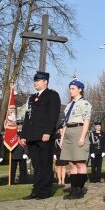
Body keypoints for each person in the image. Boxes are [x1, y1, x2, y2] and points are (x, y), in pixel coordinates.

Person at [20, 71, 62, 200]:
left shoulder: (52, 95)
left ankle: (45, 191)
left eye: (38, 80)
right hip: (32, 136)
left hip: (44, 136)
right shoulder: (32, 98)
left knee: (45, 164)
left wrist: (48, 132)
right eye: (35, 81)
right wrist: (24, 134)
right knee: (36, 165)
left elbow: (52, 115)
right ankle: (36, 189)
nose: (35, 83)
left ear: (45, 82)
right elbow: (28, 117)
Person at [60, 79, 92, 199]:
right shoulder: (68, 105)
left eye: (73, 88)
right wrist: (62, 137)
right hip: (68, 131)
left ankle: (79, 190)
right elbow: (65, 123)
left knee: (80, 163)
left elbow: (86, 121)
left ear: (80, 90)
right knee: (72, 163)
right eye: (70, 88)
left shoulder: (85, 104)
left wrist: (82, 137)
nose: (71, 91)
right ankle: (73, 189)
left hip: (79, 131)